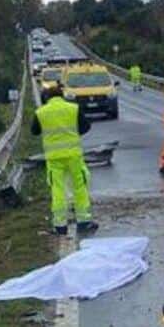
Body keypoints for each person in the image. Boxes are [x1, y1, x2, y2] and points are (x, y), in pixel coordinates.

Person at [31, 85, 97, 235]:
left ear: (46, 97)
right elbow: (85, 127)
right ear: (62, 95)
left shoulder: (41, 112)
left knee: (58, 190)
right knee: (79, 187)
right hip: (74, 155)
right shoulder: (73, 108)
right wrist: (72, 133)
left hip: (54, 158)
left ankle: (60, 225)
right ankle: (83, 221)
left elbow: (34, 131)